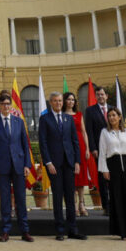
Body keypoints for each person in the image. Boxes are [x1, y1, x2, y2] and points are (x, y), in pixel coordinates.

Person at [39, 92, 87, 241]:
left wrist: (77, 162)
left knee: (70, 197)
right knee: (58, 197)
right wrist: (48, 163)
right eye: (55, 101)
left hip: (69, 163)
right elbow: (43, 142)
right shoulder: (45, 119)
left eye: (60, 101)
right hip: (54, 164)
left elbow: (75, 141)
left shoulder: (68, 118)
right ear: (51, 103)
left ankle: (73, 229)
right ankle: (60, 230)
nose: (58, 103)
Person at [0, 93, 33, 242]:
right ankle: (5, 231)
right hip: (2, 167)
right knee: (5, 200)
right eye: (3, 104)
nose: (6, 106)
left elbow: (25, 145)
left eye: (8, 104)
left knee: (21, 199)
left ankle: (24, 231)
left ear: (11, 106)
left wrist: (27, 164)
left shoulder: (19, 122)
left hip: (19, 165)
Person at [99, 107, 126, 240]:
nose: (112, 117)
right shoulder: (104, 132)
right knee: (117, 198)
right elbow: (102, 152)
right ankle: (122, 232)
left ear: (119, 117)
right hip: (113, 166)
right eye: (109, 116)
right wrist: (104, 169)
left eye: (114, 115)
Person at [63, 92, 92, 217]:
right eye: (68, 100)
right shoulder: (62, 115)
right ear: (64, 101)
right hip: (68, 147)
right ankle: (73, 205)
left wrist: (87, 149)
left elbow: (84, 132)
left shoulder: (79, 114)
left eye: (73, 100)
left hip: (80, 146)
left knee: (81, 178)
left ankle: (81, 203)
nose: (71, 102)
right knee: (71, 178)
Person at [84, 86, 110, 215]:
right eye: (98, 95)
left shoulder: (113, 109)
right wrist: (93, 148)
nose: (100, 97)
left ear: (106, 96)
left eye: (102, 94)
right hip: (99, 150)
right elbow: (89, 131)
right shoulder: (90, 111)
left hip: (114, 149)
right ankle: (106, 206)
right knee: (102, 178)